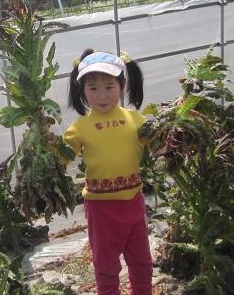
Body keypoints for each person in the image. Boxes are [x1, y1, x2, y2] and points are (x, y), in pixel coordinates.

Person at [62, 49, 153, 295]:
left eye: (109, 87)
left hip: (134, 203)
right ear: (82, 90)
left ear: (123, 85)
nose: (102, 95)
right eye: (93, 88)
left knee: (142, 262)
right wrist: (44, 138)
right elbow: (62, 157)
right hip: (101, 209)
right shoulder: (80, 127)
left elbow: (158, 140)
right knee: (105, 266)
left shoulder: (135, 120)